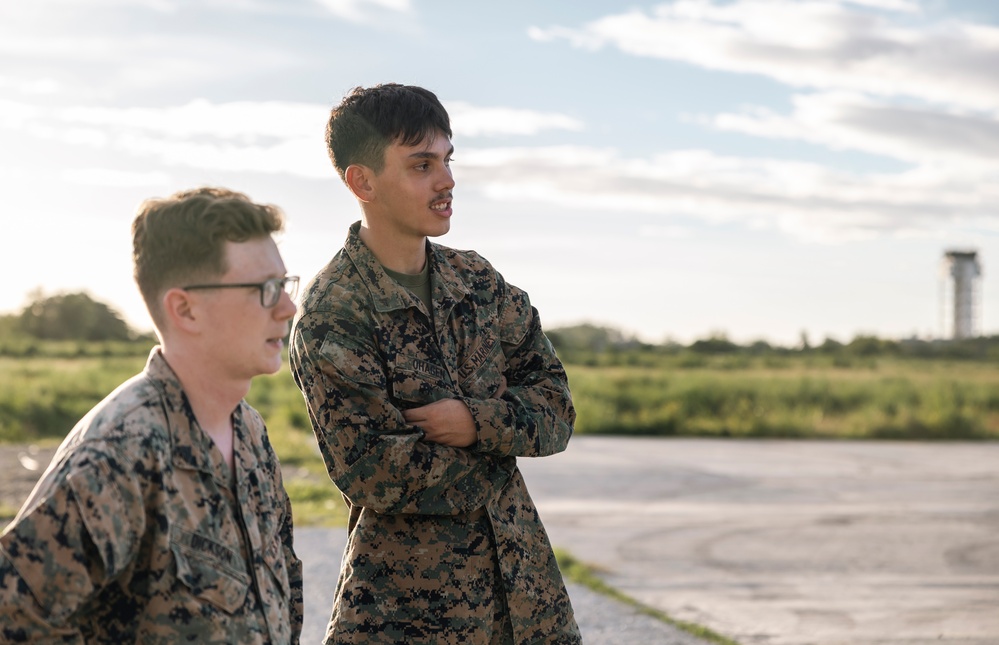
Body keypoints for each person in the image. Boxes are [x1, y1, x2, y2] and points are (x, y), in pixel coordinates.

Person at [290, 83, 581, 644]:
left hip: (528, 603)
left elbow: (556, 406)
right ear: (362, 181)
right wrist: (504, 446)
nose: (446, 181)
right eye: (422, 165)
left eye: (448, 160)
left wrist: (476, 424)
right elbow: (374, 470)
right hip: (407, 616)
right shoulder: (334, 311)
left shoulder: (476, 282)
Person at [0, 187, 304, 643]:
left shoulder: (251, 432)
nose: (288, 308)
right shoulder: (122, 449)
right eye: (264, 290)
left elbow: (284, 593)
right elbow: (14, 614)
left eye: (284, 285)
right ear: (185, 309)